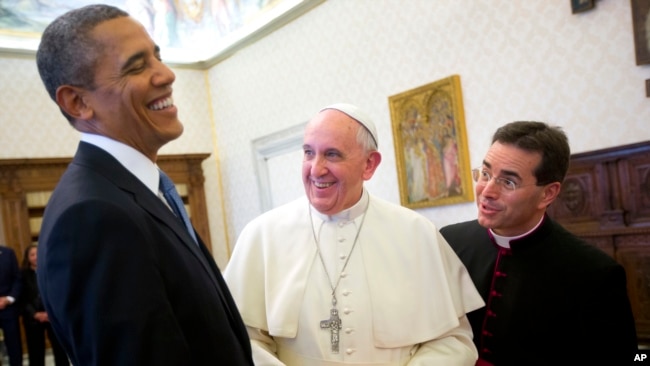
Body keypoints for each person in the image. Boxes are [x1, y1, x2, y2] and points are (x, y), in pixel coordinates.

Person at [35, 4, 253, 365]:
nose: (166, 74)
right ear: (77, 101)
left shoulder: (136, 193)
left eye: (158, 57)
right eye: (136, 66)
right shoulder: (93, 217)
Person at [223, 103, 485, 365]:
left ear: (369, 164)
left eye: (332, 154)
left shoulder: (416, 232)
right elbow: (241, 337)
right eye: (308, 153)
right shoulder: (262, 235)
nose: (316, 169)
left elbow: (453, 341)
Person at [439, 121, 639, 366]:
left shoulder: (594, 273)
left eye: (508, 182)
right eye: (485, 174)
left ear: (548, 194)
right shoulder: (449, 240)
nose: (487, 190)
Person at [19, 244, 69, 366]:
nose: (36, 257)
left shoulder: (51, 271)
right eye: (32, 254)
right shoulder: (22, 275)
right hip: (32, 318)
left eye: (38, 253)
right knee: (36, 351)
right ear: (27, 257)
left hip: (52, 316)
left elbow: (58, 292)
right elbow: (22, 298)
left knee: (60, 350)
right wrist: (35, 314)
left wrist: (49, 313)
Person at [0, 245, 22, 366]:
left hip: (8, 309)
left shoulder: (8, 253)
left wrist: (9, 299)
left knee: (14, 347)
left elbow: (17, 278)